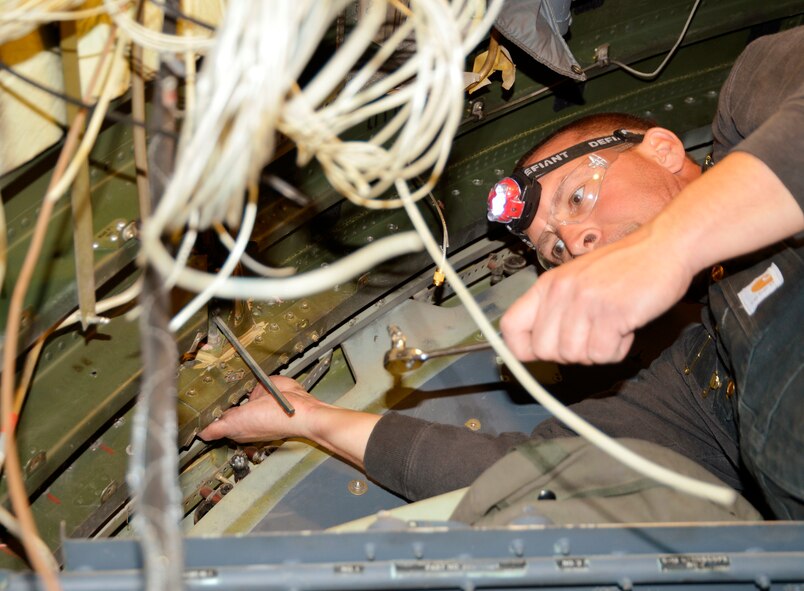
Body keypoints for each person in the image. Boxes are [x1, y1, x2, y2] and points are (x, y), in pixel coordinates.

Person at [200, 27, 804, 519]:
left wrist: (668, 248)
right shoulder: (702, 380)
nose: (576, 241)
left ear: (664, 150)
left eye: (577, 198)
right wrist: (310, 418)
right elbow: (518, 473)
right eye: (556, 254)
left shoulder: (752, 101)